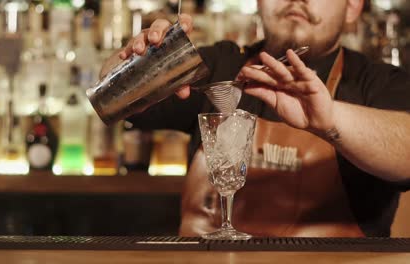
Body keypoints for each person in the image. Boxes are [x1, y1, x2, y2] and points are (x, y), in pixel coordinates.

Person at [101, 0, 410, 237]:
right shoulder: (220, 65)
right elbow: (112, 99)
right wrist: (135, 61)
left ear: (353, 6)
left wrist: (330, 117)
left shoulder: (376, 82)